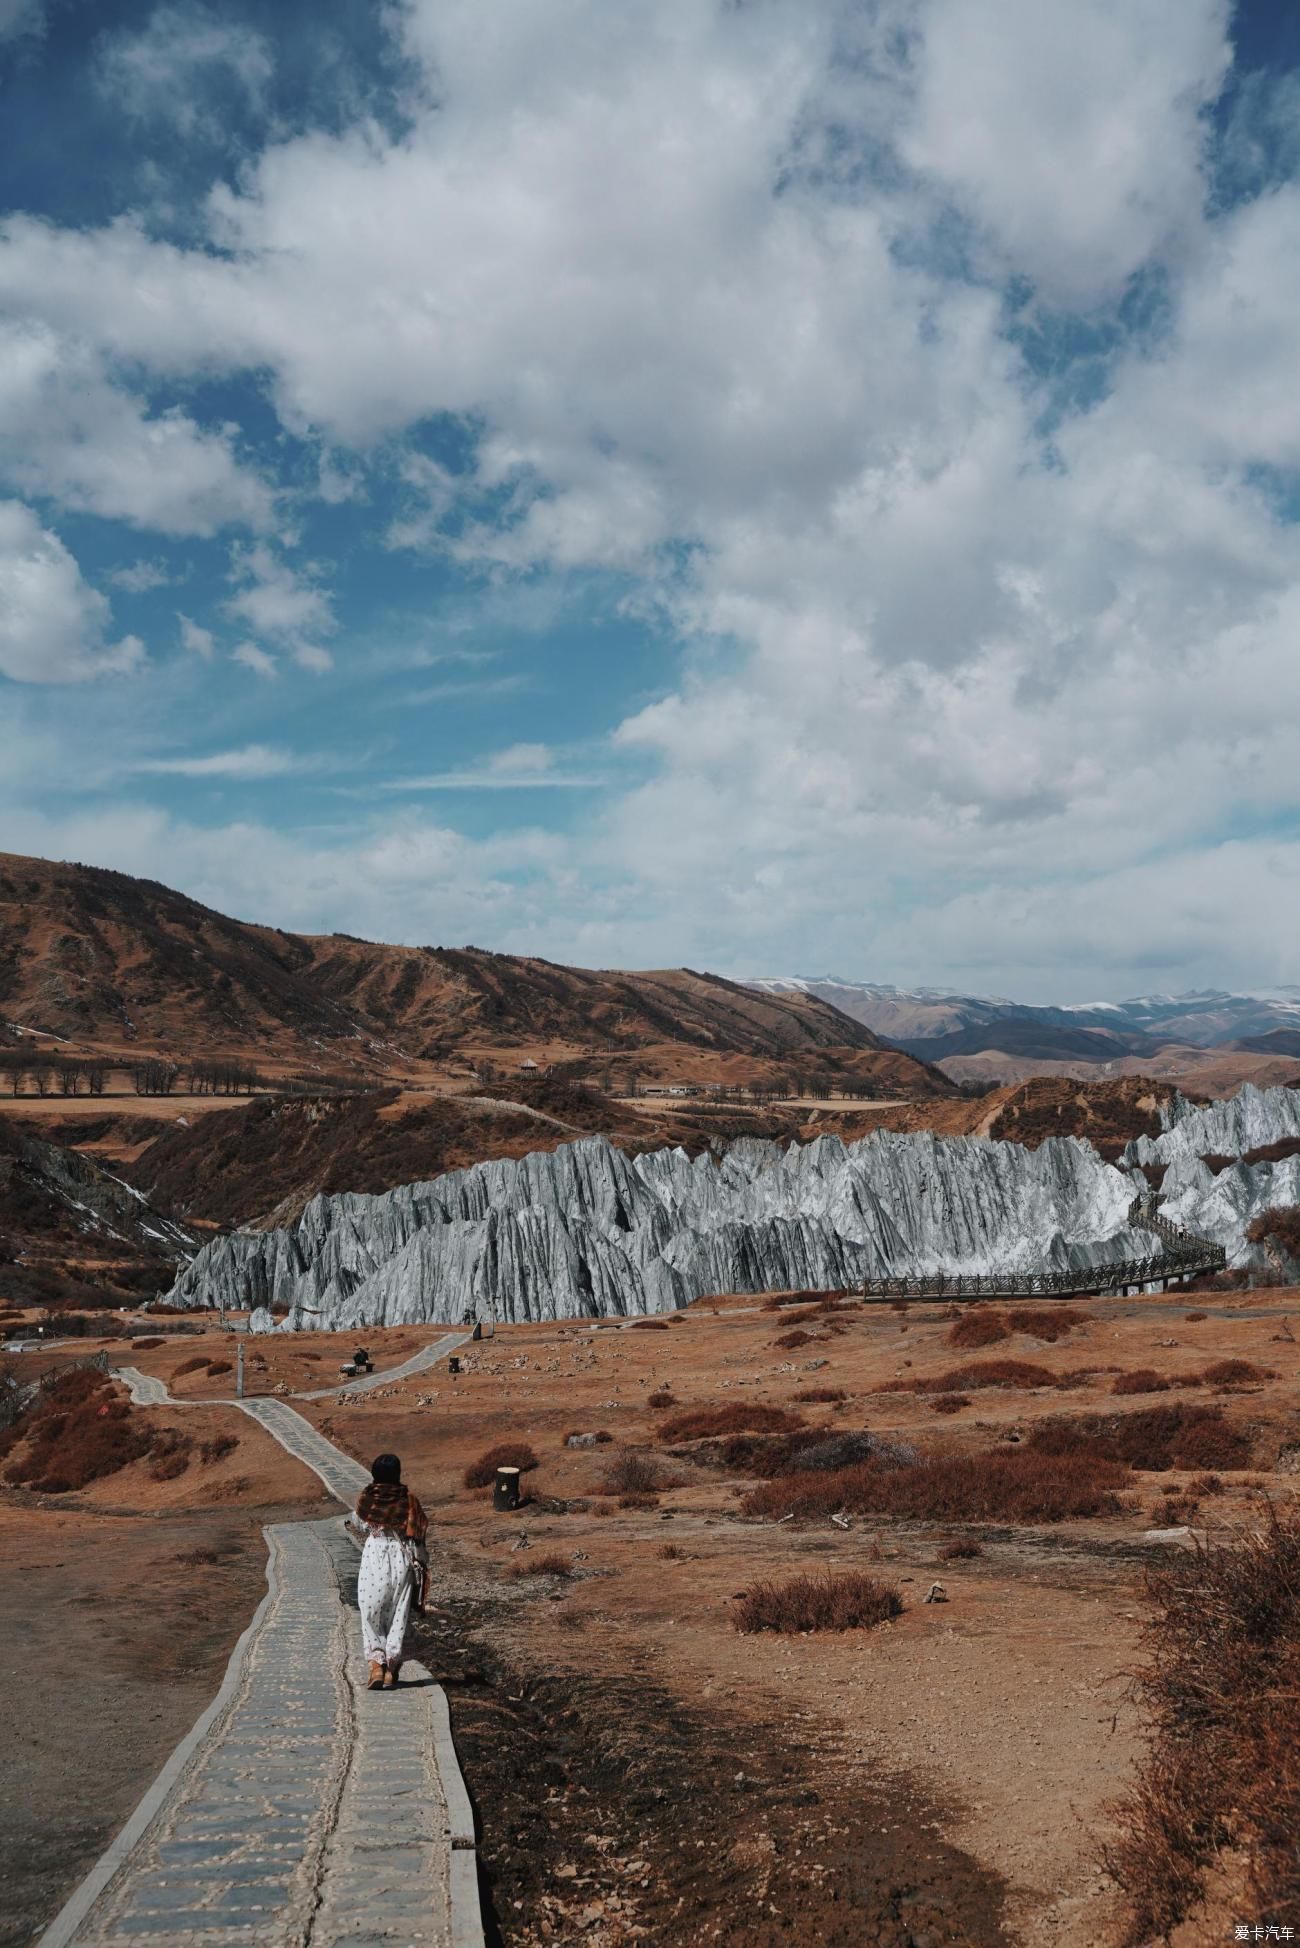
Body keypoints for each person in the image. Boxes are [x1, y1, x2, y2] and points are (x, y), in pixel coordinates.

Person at [347, 1452, 428, 1690]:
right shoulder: (409, 1500)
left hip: (375, 1556)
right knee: (398, 1614)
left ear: (374, 1473)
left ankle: (376, 1667)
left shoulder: (368, 1498)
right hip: (401, 1560)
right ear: (398, 1473)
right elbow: (419, 1534)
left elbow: (360, 1523)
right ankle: (391, 1670)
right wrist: (423, 1563)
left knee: (370, 1611)